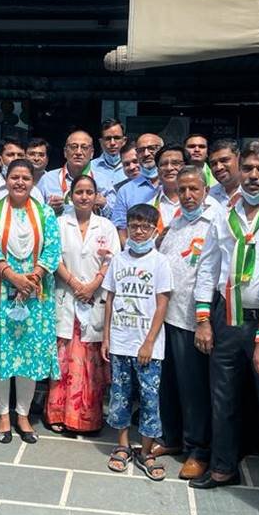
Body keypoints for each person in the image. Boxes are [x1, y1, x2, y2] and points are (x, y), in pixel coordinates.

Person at [192, 141, 259, 515]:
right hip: (227, 318)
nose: (254, 176)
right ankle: (223, 467)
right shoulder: (223, 214)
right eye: (249, 168)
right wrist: (203, 319)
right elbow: (208, 266)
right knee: (223, 396)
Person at [0, 159, 60, 444]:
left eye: (26, 177)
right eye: (14, 177)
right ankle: (3, 415)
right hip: (0, 293)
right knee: (1, 353)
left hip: (35, 296)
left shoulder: (45, 213)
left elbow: (53, 249)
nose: (20, 182)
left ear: (33, 181)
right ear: (6, 179)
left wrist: (32, 279)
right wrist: (13, 277)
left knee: (29, 355)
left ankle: (23, 415)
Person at [154, 165, 223, 479]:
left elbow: (210, 272)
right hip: (167, 315)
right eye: (182, 189)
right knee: (168, 383)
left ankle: (198, 449)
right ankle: (172, 437)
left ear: (206, 189)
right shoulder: (176, 221)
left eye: (194, 188)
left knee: (194, 387)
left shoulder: (216, 220)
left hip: (193, 317)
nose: (187, 195)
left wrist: (204, 319)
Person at [102, 203, 173, 482]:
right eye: (134, 226)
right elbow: (110, 299)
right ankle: (122, 445)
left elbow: (162, 303)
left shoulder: (159, 262)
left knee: (149, 398)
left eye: (145, 227)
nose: (139, 232)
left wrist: (149, 342)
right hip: (120, 341)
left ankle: (145, 451)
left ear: (155, 230)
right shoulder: (119, 260)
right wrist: (106, 337)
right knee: (120, 395)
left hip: (148, 346)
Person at [48, 174, 118, 434]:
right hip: (66, 296)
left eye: (89, 192)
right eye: (79, 192)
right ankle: (57, 415)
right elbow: (52, 257)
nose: (84, 196)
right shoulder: (59, 223)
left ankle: (87, 419)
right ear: (71, 195)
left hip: (95, 297)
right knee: (63, 361)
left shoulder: (106, 227)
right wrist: (76, 284)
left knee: (90, 364)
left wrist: (93, 285)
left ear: (96, 196)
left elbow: (112, 260)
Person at [39, 130, 114, 218]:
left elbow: (117, 217)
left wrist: (104, 205)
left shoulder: (104, 181)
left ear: (92, 153)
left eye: (84, 147)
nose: (78, 152)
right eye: (73, 147)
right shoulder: (47, 179)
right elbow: (35, 215)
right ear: (65, 152)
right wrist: (48, 209)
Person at [112, 133, 164, 238]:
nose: (146, 154)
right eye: (141, 150)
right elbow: (121, 228)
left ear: (163, 150)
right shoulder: (125, 191)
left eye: (152, 148)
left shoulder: (175, 184)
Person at [151, 145, 186, 234]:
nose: (169, 168)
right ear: (158, 170)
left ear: (186, 167)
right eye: (163, 164)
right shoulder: (149, 203)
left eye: (175, 163)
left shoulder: (204, 203)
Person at [207, 139, 242, 206]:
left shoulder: (254, 192)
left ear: (239, 158)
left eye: (224, 160)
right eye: (214, 164)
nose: (219, 167)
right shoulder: (209, 196)